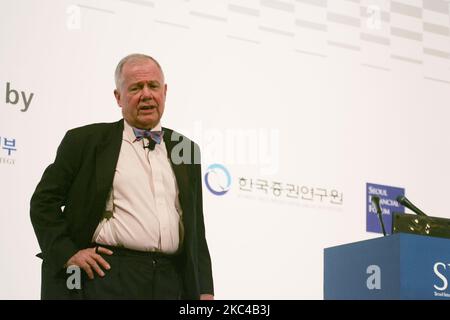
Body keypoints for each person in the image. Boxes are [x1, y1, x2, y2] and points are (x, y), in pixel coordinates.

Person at [30, 53, 214, 300]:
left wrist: (204, 290)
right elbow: (43, 203)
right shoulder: (85, 141)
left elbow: (195, 228)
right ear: (118, 97)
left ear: (165, 91)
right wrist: (67, 253)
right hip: (108, 277)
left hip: (171, 281)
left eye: (153, 86)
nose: (146, 94)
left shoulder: (186, 149)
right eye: (136, 87)